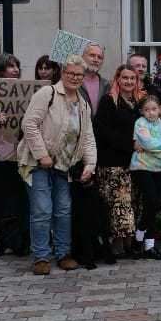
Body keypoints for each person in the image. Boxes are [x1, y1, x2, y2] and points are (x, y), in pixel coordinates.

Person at [18, 54, 97, 275]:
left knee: (63, 210)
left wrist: (90, 164)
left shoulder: (82, 103)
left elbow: (88, 136)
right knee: (42, 210)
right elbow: (29, 124)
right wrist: (42, 155)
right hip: (38, 164)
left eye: (79, 75)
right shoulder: (47, 94)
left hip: (65, 166)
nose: (74, 77)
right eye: (71, 73)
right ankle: (41, 257)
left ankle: (63, 253)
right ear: (62, 73)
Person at [93, 64, 145, 260]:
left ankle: (130, 243)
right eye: (125, 78)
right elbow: (103, 131)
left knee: (132, 203)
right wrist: (129, 144)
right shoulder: (109, 101)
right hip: (113, 162)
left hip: (136, 163)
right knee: (118, 205)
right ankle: (118, 244)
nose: (129, 81)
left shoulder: (139, 102)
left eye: (132, 78)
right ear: (118, 79)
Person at [0, 53, 30, 259]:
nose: (16, 70)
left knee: (20, 201)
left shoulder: (27, 92)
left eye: (17, 66)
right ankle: (3, 241)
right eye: (11, 66)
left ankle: (20, 242)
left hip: (21, 156)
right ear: (1, 70)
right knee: (1, 202)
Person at [130, 94, 161, 260]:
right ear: (142, 111)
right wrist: (159, 147)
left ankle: (147, 245)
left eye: (154, 109)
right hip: (141, 167)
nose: (151, 112)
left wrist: (152, 148)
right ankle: (139, 238)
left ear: (159, 110)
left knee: (154, 206)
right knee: (151, 201)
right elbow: (147, 142)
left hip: (158, 168)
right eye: (147, 109)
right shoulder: (140, 124)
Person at [79, 42, 110, 113]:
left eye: (99, 57)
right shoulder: (74, 81)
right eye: (92, 55)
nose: (96, 60)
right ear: (82, 57)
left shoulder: (106, 84)